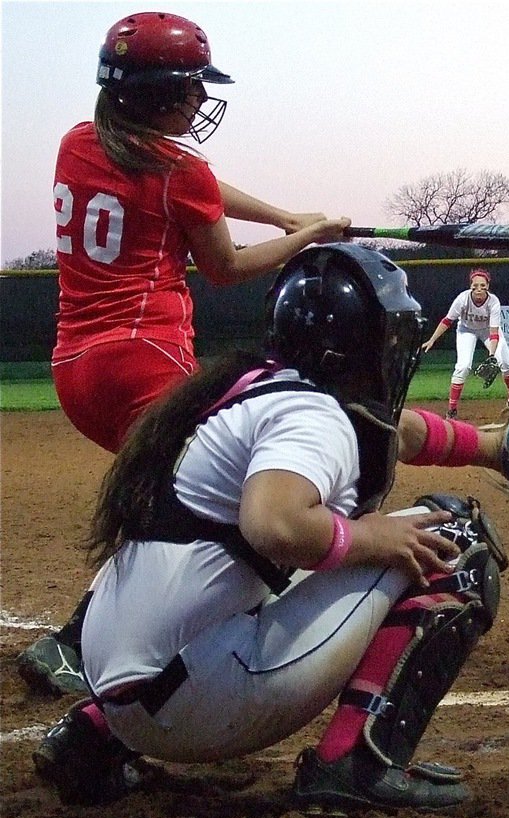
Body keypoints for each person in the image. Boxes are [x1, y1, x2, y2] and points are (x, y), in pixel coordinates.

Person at [31, 243, 509, 813]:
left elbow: (394, 434)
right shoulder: (312, 415)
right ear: (359, 344)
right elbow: (274, 522)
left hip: (121, 689)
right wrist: (374, 537)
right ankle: (356, 764)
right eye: (387, 337)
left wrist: (497, 451)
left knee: (291, 551)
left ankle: (87, 740)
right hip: (191, 705)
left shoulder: (252, 389)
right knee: (454, 543)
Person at [18, 11, 352, 697]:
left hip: (75, 369)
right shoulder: (180, 169)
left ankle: (96, 637)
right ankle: (86, 640)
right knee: (213, 503)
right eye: (193, 87)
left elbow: (190, 185)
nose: (201, 99)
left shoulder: (77, 142)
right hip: (146, 364)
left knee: (167, 498)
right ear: (162, 96)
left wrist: (286, 215)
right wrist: (305, 237)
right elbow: (224, 262)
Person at [420, 268, 509, 418]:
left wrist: (492, 355)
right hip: (466, 330)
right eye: (475, 285)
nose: (479, 288)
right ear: (470, 286)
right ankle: (452, 409)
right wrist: (432, 339)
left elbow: (494, 332)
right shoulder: (463, 299)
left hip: (488, 330)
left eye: (483, 285)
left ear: (488, 286)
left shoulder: (493, 302)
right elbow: (447, 321)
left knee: (507, 364)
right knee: (463, 366)